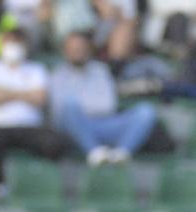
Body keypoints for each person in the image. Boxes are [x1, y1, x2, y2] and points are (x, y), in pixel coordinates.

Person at [49, 31, 156, 165]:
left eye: (80, 47)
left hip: (104, 124)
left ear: (88, 48)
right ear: (65, 51)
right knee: (70, 106)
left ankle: (121, 154)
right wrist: (83, 109)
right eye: (73, 48)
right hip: (75, 130)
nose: (77, 51)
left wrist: (82, 108)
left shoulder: (101, 70)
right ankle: (95, 153)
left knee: (145, 111)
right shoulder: (57, 75)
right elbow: (60, 112)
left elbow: (108, 105)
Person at [0, 28, 64, 194]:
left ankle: (42, 188)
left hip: (29, 127)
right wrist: (25, 94)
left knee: (55, 143)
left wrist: (6, 93)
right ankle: (0, 184)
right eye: (9, 42)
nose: (12, 47)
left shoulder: (37, 69)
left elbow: (40, 98)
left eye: (17, 42)